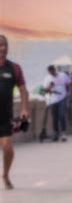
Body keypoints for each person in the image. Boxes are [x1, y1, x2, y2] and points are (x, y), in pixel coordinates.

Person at [0, 35, 29, 189]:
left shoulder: (14, 68)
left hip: (5, 117)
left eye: (5, 45)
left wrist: (24, 108)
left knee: (8, 150)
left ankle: (5, 174)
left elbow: (23, 90)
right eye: (0, 45)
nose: (3, 48)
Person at [42, 65, 72, 142]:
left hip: (62, 98)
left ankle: (63, 133)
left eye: (53, 72)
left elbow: (69, 84)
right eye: (50, 72)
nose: (52, 73)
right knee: (54, 117)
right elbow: (45, 90)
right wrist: (50, 86)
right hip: (52, 100)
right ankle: (56, 133)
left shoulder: (63, 75)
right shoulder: (47, 78)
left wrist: (69, 93)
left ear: (55, 70)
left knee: (62, 115)